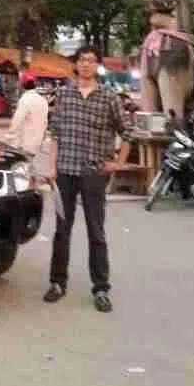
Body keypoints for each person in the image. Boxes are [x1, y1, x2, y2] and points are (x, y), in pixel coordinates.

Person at [43, 45, 133, 313]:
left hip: (94, 172)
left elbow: (127, 132)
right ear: (76, 64)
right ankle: (58, 282)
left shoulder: (109, 97)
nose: (85, 65)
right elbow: (55, 133)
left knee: (96, 231)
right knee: (62, 230)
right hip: (65, 172)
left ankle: (101, 288)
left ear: (97, 67)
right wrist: (51, 168)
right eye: (82, 60)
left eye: (91, 61)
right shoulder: (64, 94)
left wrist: (117, 163)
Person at [6, 73, 50, 181]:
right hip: (36, 142)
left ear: (22, 85)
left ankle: (29, 189)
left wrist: (10, 137)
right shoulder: (43, 100)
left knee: (21, 170)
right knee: (28, 166)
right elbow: (45, 122)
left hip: (24, 142)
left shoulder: (25, 100)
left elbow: (17, 121)